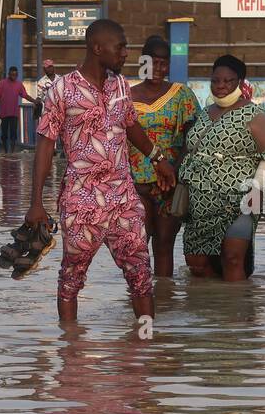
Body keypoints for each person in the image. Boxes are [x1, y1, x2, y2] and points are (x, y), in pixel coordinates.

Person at [27, 19, 175, 321]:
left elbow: (130, 124)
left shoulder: (121, 86)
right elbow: (45, 147)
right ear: (97, 48)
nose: (126, 53)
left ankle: (144, 353)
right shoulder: (62, 89)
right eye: (120, 47)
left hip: (124, 199)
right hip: (82, 202)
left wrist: (157, 158)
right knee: (71, 279)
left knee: (141, 278)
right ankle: (71, 354)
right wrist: (36, 203)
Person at [179, 55, 265, 281]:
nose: (220, 86)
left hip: (240, 199)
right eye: (215, 80)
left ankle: (235, 312)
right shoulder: (203, 114)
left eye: (227, 81)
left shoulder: (254, 115)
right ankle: (212, 310)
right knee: (197, 264)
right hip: (200, 201)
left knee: (233, 258)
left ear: (240, 82)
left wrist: (256, 190)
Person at [128, 35, 200, 277]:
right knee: (137, 244)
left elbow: (193, 139)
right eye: (152, 62)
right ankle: (139, 299)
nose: (157, 69)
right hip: (135, 183)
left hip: (171, 182)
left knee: (165, 244)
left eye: (163, 63)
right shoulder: (126, 96)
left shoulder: (182, 95)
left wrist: (174, 172)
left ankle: (165, 300)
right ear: (141, 62)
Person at [0, 66, 30, 152]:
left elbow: (25, 95)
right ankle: (6, 151)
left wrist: (35, 101)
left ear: (17, 75)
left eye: (15, 74)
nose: (14, 76)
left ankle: (12, 151)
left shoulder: (19, 84)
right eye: (12, 74)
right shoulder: (1, 83)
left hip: (14, 113)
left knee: (13, 133)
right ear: (9, 74)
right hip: (4, 113)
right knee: (4, 134)